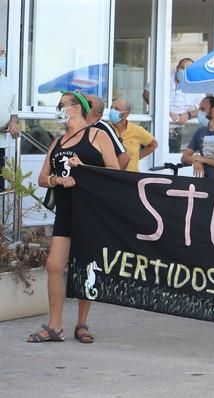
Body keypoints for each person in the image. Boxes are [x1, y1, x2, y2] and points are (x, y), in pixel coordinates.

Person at [26, 91, 119, 344]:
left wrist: (85, 168)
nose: (58, 109)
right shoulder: (57, 142)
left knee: (84, 266)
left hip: (90, 209)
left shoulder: (98, 135)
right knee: (54, 266)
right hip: (65, 210)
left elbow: (115, 171)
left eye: (62, 105)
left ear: (76, 107)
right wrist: (58, 179)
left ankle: (82, 324)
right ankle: (55, 326)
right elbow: (42, 178)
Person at [108, 98, 158, 172]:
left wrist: (136, 158)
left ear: (126, 114)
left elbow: (153, 144)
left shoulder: (136, 130)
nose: (112, 111)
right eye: (111, 108)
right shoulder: (105, 129)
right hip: (111, 175)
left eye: (116, 109)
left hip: (131, 176)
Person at [168, 57, 204, 154]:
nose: (184, 72)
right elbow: (147, 94)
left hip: (178, 130)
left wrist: (188, 115)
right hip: (159, 126)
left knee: (173, 157)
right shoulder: (165, 78)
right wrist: (165, 112)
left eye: (188, 70)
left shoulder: (196, 86)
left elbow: (204, 108)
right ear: (177, 68)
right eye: (182, 68)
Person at [181, 96, 214, 178]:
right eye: (199, 109)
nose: (200, 113)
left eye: (203, 109)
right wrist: (195, 160)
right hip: (204, 183)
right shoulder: (200, 132)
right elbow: (184, 157)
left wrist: (201, 159)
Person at [85, 95, 129, 170]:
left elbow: (124, 157)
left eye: (88, 104)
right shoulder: (78, 127)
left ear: (98, 113)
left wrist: (112, 179)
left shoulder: (103, 127)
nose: (84, 106)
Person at [0, 45, 20, 190]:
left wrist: (13, 122)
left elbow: (13, 111)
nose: (2, 57)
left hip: (0, 146)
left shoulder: (7, 83)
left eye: (3, 53)